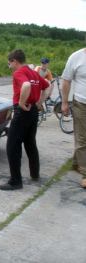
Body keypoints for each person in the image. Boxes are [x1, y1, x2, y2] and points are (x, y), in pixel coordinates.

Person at [0, 49, 50, 191]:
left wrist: (21, 103)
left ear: (14, 61)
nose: (9, 67)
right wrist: (40, 102)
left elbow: (26, 85)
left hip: (22, 112)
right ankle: (35, 174)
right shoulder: (33, 72)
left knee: (12, 147)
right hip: (33, 112)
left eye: (9, 64)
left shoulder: (19, 73)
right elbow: (48, 85)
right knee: (30, 143)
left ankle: (15, 181)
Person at [61, 48, 86, 188]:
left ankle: (78, 164)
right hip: (82, 103)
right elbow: (66, 81)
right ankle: (85, 173)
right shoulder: (76, 57)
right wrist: (64, 102)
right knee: (82, 138)